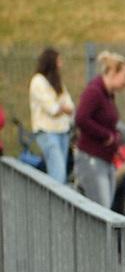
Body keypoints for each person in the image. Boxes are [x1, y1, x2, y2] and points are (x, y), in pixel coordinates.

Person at [72, 51, 125, 209]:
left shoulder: (108, 95)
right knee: (102, 211)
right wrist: (106, 136)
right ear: (113, 72)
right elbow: (81, 118)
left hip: (105, 160)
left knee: (105, 209)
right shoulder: (94, 92)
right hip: (92, 159)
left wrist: (114, 136)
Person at [27, 47, 73, 182]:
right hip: (47, 132)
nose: (61, 64)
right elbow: (52, 109)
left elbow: (70, 106)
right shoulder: (38, 81)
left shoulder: (57, 83)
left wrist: (62, 108)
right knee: (57, 173)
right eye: (59, 60)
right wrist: (62, 108)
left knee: (61, 172)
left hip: (63, 131)